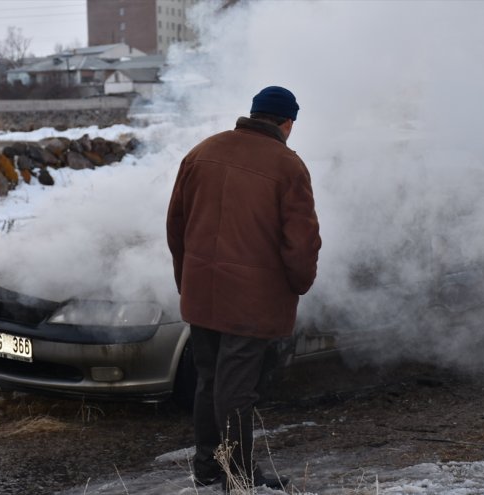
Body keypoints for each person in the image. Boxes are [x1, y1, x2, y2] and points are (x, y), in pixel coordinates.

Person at [166, 86, 322, 490]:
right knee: (237, 391)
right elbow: (301, 242)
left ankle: (207, 468)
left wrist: (187, 279)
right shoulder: (288, 166)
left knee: (209, 381)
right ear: (287, 123)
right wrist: (300, 284)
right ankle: (237, 476)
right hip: (250, 301)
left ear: (253, 114)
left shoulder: (201, 151)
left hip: (202, 294)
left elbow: (176, 226)